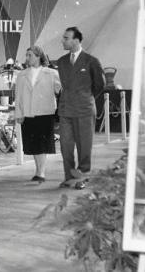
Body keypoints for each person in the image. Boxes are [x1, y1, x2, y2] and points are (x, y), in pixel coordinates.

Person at [57, 27, 105, 190]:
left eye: (66, 38)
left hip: (84, 109)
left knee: (84, 145)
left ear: (76, 41)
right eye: (63, 38)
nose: (63, 41)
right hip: (66, 110)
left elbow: (100, 85)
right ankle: (69, 177)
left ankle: (83, 177)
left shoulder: (91, 61)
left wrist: (86, 98)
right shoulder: (62, 62)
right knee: (65, 145)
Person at [14, 46, 61, 183]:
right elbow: (18, 96)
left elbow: (60, 90)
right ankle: (38, 170)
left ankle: (40, 172)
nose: (27, 58)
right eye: (26, 55)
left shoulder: (52, 73)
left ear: (39, 56)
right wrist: (19, 113)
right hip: (28, 113)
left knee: (42, 144)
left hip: (45, 112)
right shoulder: (21, 75)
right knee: (33, 144)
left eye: (30, 55)